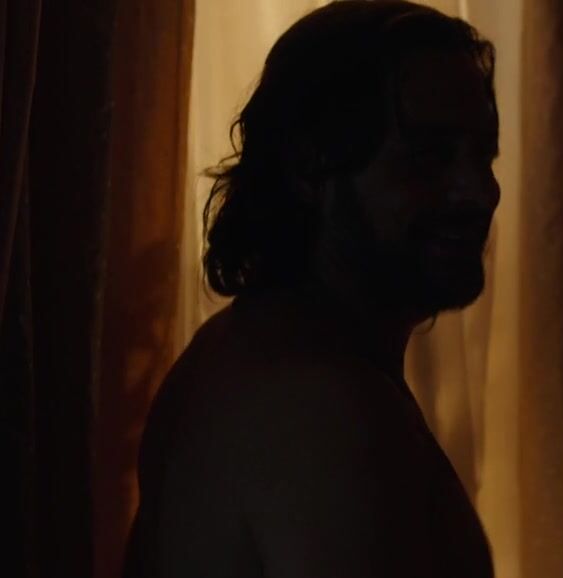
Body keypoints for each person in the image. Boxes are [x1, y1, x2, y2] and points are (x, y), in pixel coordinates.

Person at [123, 1, 500, 576]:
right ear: (310, 167)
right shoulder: (319, 405)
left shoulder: (261, 351)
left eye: (483, 156)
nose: (479, 192)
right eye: (430, 157)